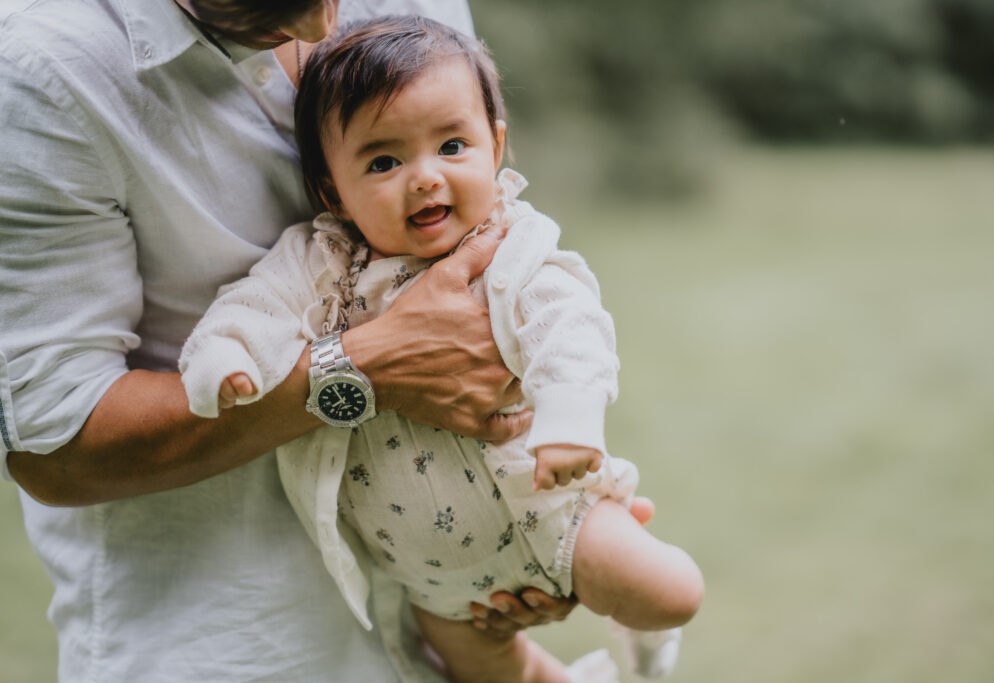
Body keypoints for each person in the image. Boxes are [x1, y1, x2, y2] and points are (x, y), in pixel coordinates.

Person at [0, 1, 591, 680]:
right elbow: (56, 447)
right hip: (239, 644)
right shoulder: (37, 67)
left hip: (438, 629)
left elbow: (488, 244)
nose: (319, 30)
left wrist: (535, 532)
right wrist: (363, 370)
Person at [179, 16, 705, 682]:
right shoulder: (322, 262)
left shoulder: (510, 246)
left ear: (497, 146)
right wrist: (224, 359)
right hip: (424, 573)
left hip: (541, 504)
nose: (425, 177)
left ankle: (644, 645)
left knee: (671, 592)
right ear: (330, 189)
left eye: (452, 145)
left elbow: (570, 326)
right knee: (488, 672)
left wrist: (570, 420)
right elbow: (251, 308)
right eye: (384, 161)